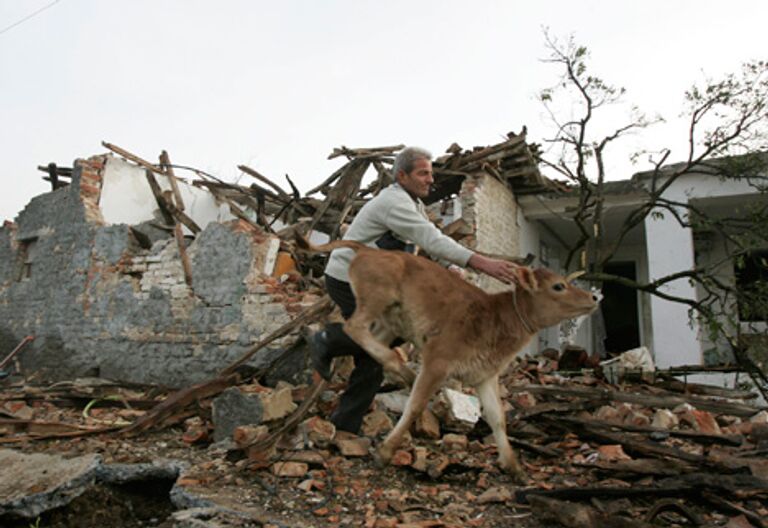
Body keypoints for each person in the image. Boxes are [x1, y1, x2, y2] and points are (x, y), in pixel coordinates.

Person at [312, 146, 521, 434]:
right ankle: (328, 339)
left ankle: (346, 424)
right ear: (402, 175)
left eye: (431, 173)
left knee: (375, 353)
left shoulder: (413, 204)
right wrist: (480, 262)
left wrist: (446, 267)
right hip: (349, 278)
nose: (429, 180)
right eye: (423, 173)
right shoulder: (393, 203)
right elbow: (430, 237)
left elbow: (418, 242)